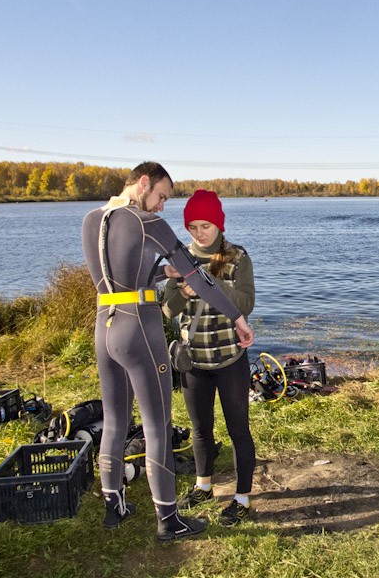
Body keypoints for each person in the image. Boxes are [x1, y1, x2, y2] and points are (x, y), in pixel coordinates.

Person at [81, 162, 254, 541]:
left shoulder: (93, 219)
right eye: (161, 196)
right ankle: (169, 520)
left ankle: (115, 506)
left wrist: (162, 275)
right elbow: (200, 279)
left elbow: (116, 277)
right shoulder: (146, 223)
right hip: (138, 329)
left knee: (114, 421)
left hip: (104, 325)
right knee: (156, 425)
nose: (161, 206)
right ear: (143, 183)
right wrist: (238, 318)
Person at [162, 190, 256, 527]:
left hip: (231, 361)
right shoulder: (179, 260)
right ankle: (203, 486)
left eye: (206, 225)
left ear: (219, 224)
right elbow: (168, 311)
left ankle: (242, 498)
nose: (200, 233)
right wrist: (182, 288)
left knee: (238, 431)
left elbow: (245, 304)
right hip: (194, 363)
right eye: (193, 227)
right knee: (201, 431)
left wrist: (209, 283)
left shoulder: (238, 257)